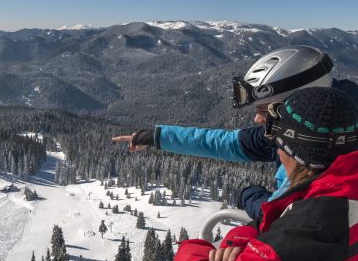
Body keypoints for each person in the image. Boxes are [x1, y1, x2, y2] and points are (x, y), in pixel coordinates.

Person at [174, 87, 358, 261]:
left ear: (295, 152)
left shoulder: (317, 223)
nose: (278, 154)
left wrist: (190, 248)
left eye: (279, 145)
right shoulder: (340, 196)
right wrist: (247, 234)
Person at [113, 45, 340, 221]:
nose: (257, 119)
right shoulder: (299, 135)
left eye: (264, 110)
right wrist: (156, 137)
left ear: (297, 107)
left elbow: (280, 216)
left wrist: (250, 196)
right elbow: (224, 143)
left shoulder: (328, 166)